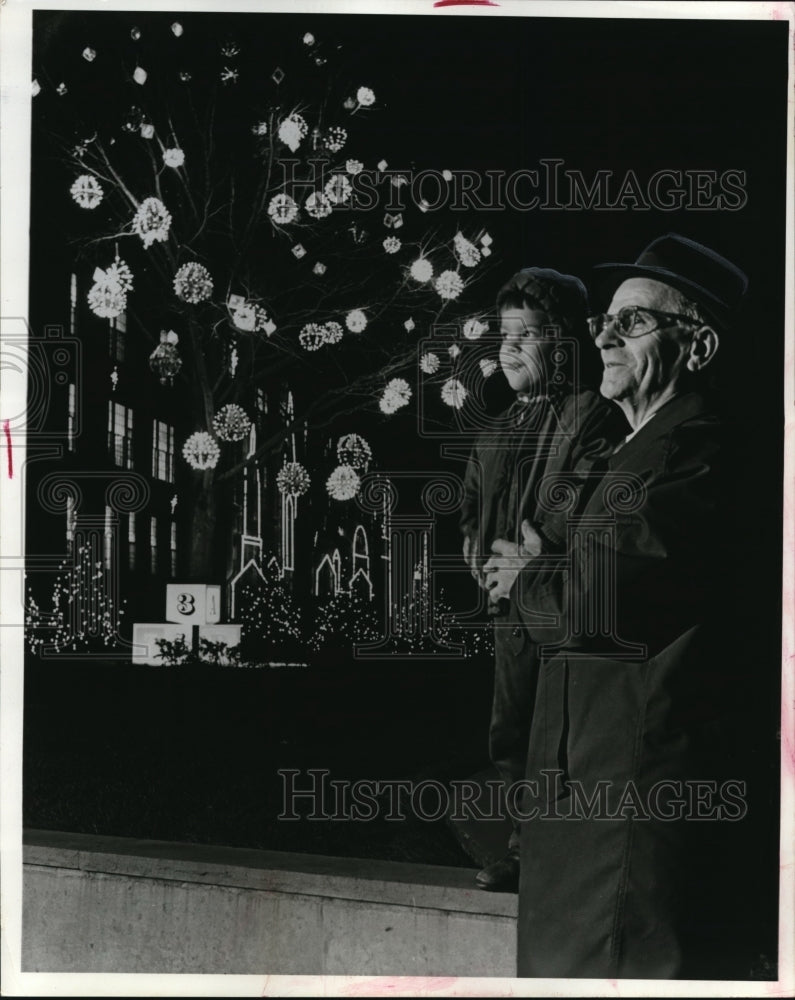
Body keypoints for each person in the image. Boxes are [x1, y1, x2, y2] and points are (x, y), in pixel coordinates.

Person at [486, 233, 749, 978]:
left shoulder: (693, 454)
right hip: (591, 810)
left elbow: (589, 607)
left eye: (630, 321)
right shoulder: (640, 449)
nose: (601, 333)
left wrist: (529, 578)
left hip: (624, 825)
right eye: (602, 318)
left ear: (696, 347)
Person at [459, 267, 625, 892]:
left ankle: (555, 855)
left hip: (556, 601)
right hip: (509, 611)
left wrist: (535, 557)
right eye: (505, 334)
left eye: (527, 334)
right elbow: (473, 509)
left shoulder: (590, 416)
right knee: (511, 729)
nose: (509, 348)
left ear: (561, 342)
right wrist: (477, 552)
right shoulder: (494, 431)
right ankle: (523, 849)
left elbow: (579, 499)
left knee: (557, 735)